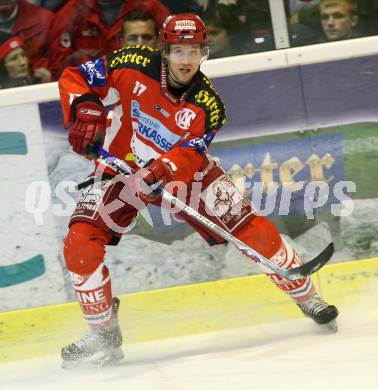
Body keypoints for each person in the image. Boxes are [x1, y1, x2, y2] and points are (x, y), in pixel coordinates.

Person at [58, 13, 339, 367]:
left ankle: (307, 298)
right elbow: (76, 78)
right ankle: (103, 333)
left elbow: (191, 153)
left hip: (187, 177)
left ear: (204, 52)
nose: (186, 60)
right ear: (165, 50)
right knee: (80, 243)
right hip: (121, 169)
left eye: (194, 51)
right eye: (178, 51)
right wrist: (84, 107)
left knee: (253, 231)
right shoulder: (131, 63)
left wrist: (160, 169)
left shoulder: (208, 104)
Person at [47, 0, 170, 80]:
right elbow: (58, 64)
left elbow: (175, 48)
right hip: (88, 89)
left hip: (147, 82)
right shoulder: (73, 12)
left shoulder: (149, 6)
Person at [0, 0, 52, 82]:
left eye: (24, 56)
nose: (22, 62)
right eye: (14, 59)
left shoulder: (44, 20)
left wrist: (39, 78)